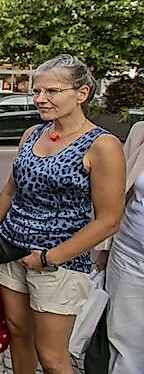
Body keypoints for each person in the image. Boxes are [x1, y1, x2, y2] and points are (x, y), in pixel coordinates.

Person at [0, 54, 125, 374]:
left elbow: (109, 220)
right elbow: (10, 190)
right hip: (11, 251)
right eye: (36, 91)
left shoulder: (102, 145)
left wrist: (49, 257)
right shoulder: (33, 133)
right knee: (18, 336)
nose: (40, 99)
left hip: (58, 264)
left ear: (81, 93)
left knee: (52, 357)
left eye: (52, 91)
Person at [105, 120, 144, 374]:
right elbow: (120, 193)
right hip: (130, 255)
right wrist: (105, 248)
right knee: (123, 341)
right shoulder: (141, 131)